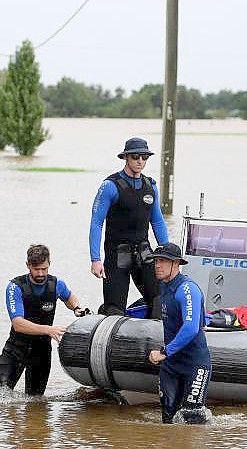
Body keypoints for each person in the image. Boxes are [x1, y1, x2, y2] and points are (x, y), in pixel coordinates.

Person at [0, 244, 88, 395]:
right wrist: (48, 329)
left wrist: (77, 308)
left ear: (49, 264)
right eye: (36, 269)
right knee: (0, 396)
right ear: (28, 265)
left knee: (35, 401)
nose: (41, 273)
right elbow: (18, 324)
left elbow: (69, 297)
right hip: (16, 348)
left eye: (44, 268)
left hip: (41, 352)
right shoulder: (15, 287)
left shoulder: (56, 284)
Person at [89, 137, 169, 317]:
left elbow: (157, 221)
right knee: (115, 309)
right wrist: (95, 259)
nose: (140, 161)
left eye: (144, 157)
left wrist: (168, 253)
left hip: (144, 252)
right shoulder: (110, 186)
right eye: (135, 157)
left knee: (159, 301)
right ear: (126, 157)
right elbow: (96, 223)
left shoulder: (151, 186)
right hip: (117, 254)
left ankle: (156, 341)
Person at [147, 243, 212, 424]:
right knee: (168, 418)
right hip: (171, 365)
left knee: (192, 419)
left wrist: (165, 352)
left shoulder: (187, 289)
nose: (157, 265)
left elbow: (191, 328)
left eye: (162, 261)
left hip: (195, 364)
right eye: (156, 261)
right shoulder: (163, 286)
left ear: (176, 264)